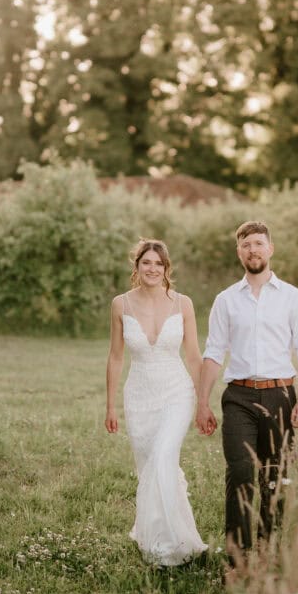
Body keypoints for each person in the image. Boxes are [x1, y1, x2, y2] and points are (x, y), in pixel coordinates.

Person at [196, 221, 298, 558]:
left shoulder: (293, 297)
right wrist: (202, 403)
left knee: (275, 478)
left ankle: (266, 550)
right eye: (246, 245)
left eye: (259, 244)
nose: (253, 250)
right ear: (239, 252)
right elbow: (214, 352)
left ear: (270, 249)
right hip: (239, 398)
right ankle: (237, 559)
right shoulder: (226, 300)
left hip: (281, 396)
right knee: (240, 472)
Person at [105, 239, 207, 566]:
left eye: (158, 264)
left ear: (166, 269)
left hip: (176, 391)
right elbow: (116, 357)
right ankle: (151, 532)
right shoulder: (121, 305)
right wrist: (110, 406)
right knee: (149, 465)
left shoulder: (183, 304)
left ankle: (176, 544)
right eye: (146, 263)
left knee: (164, 457)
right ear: (136, 267)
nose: (152, 269)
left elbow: (193, 356)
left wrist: (203, 401)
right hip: (139, 395)